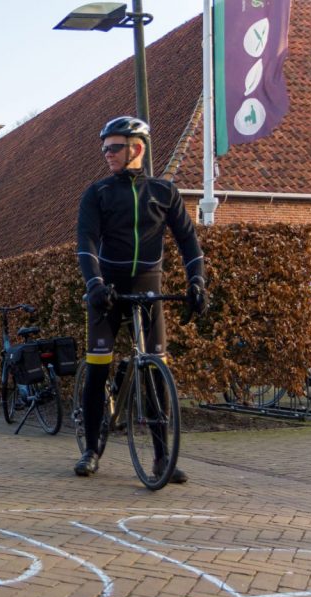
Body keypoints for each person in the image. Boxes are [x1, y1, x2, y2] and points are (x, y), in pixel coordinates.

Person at [74, 116, 209, 483]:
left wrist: (197, 282)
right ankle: (90, 449)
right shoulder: (98, 193)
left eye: (114, 147)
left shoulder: (164, 193)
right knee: (99, 364)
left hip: (150, 286)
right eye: (104, 148)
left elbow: (189, 243)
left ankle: (162, 458)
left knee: (155, 367)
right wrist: (95, 284)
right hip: (107, 290)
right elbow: (85, 243)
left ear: (137, 148)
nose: (107, 154)